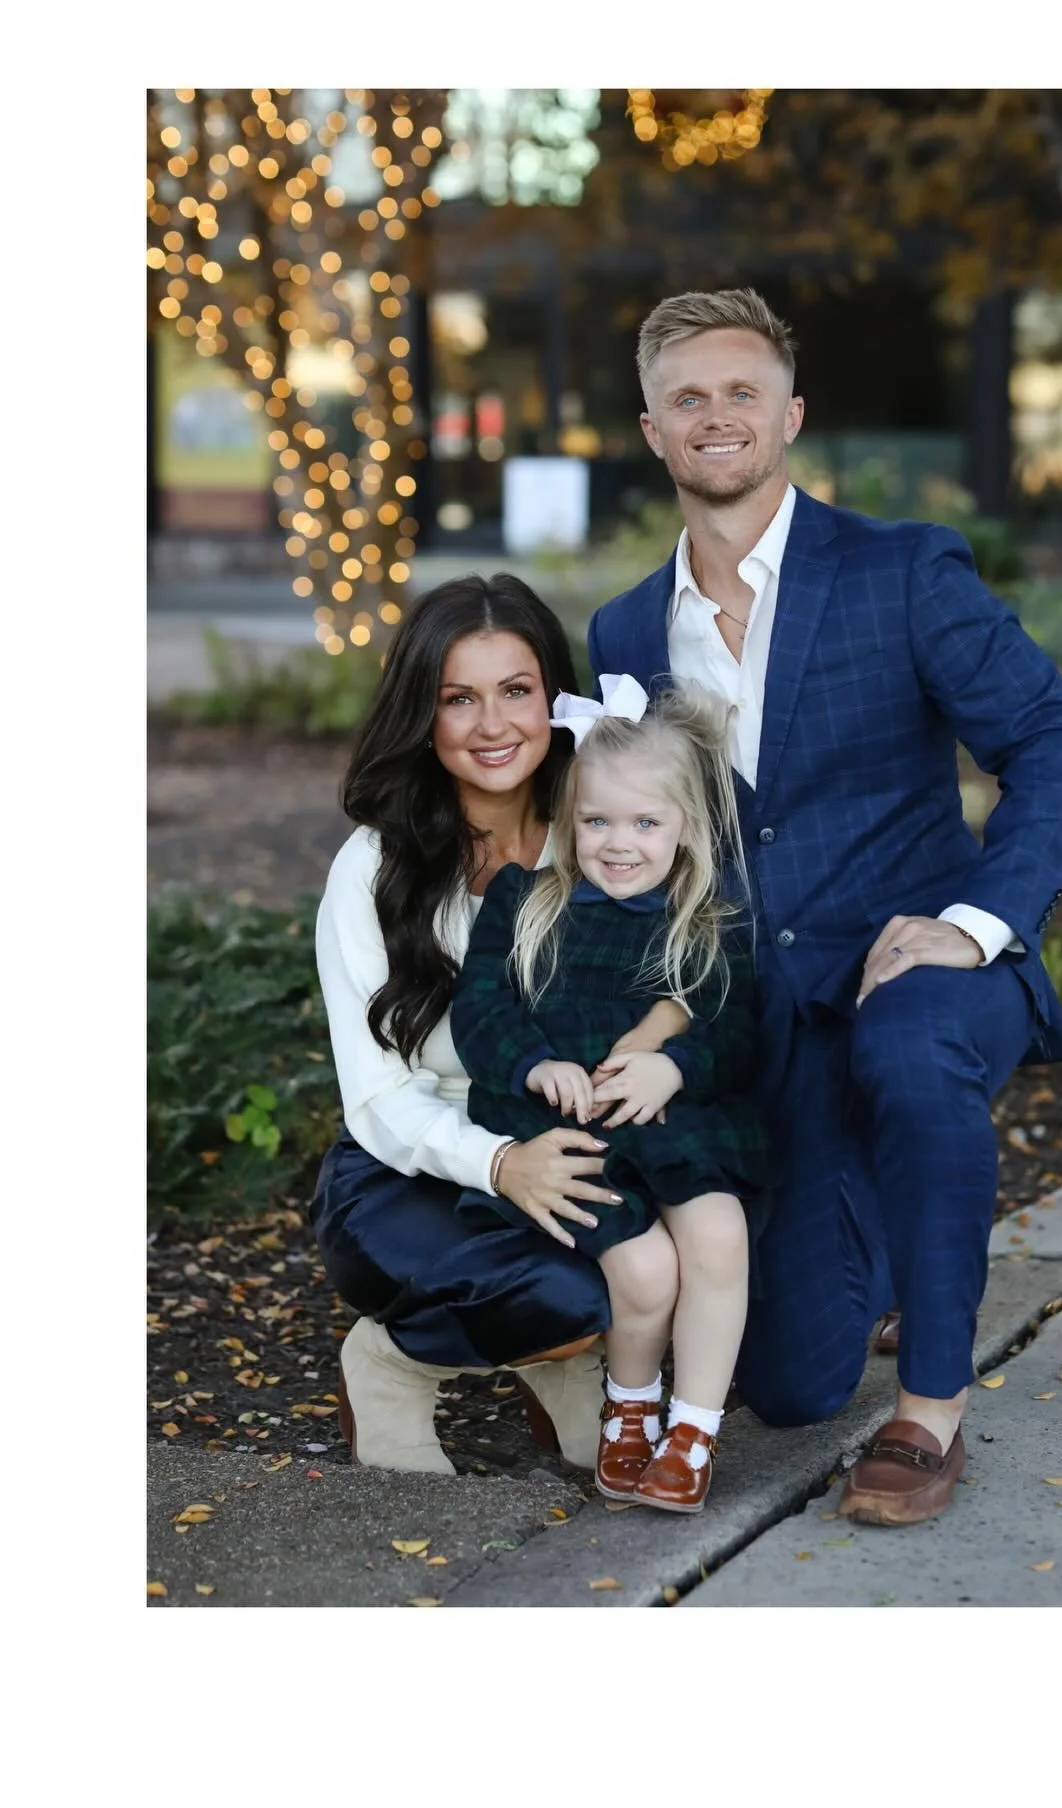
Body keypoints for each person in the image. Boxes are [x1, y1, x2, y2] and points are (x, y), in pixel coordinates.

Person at [588, 287, 1062, 1526]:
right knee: (790, 1383)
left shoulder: (899, 569)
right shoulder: (619, 632)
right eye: (687, 399)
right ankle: (881, 1235)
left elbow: (1056, 743)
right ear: (653, 431)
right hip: (763, 1027)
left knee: (914, 1038)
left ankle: (931, 1412)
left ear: (790, 417)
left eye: (742, 393)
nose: (717, 416)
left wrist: (976, 922)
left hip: (916, 978)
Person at [310, 575, 691, 1475]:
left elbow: (693, 973)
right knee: (555, 1292)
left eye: (516, 691)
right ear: (423, 713)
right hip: (407, 1168)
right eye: (459, 698)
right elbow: (377, 1098)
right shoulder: (374, 867)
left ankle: (561, 1366)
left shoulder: (601, 839)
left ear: (553, 700)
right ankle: (392, 1365)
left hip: (567, 1135)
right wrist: (499, 1163)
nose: (493, 725)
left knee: (653, 1267)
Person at [450, 678, 771, 1515]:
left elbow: (739, 1035)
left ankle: (694, 1430)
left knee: (720, 1237)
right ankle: (630, 1408)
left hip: (670, 1122)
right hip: (569, 1130)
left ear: (686, 830)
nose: (619, 844)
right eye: (597, 822)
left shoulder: (704, 922)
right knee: (646, 1269)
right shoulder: (526, 904)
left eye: (645, 823)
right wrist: (530, 1064)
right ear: (567, 820)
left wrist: (677, 1067)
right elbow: (479, 1010)